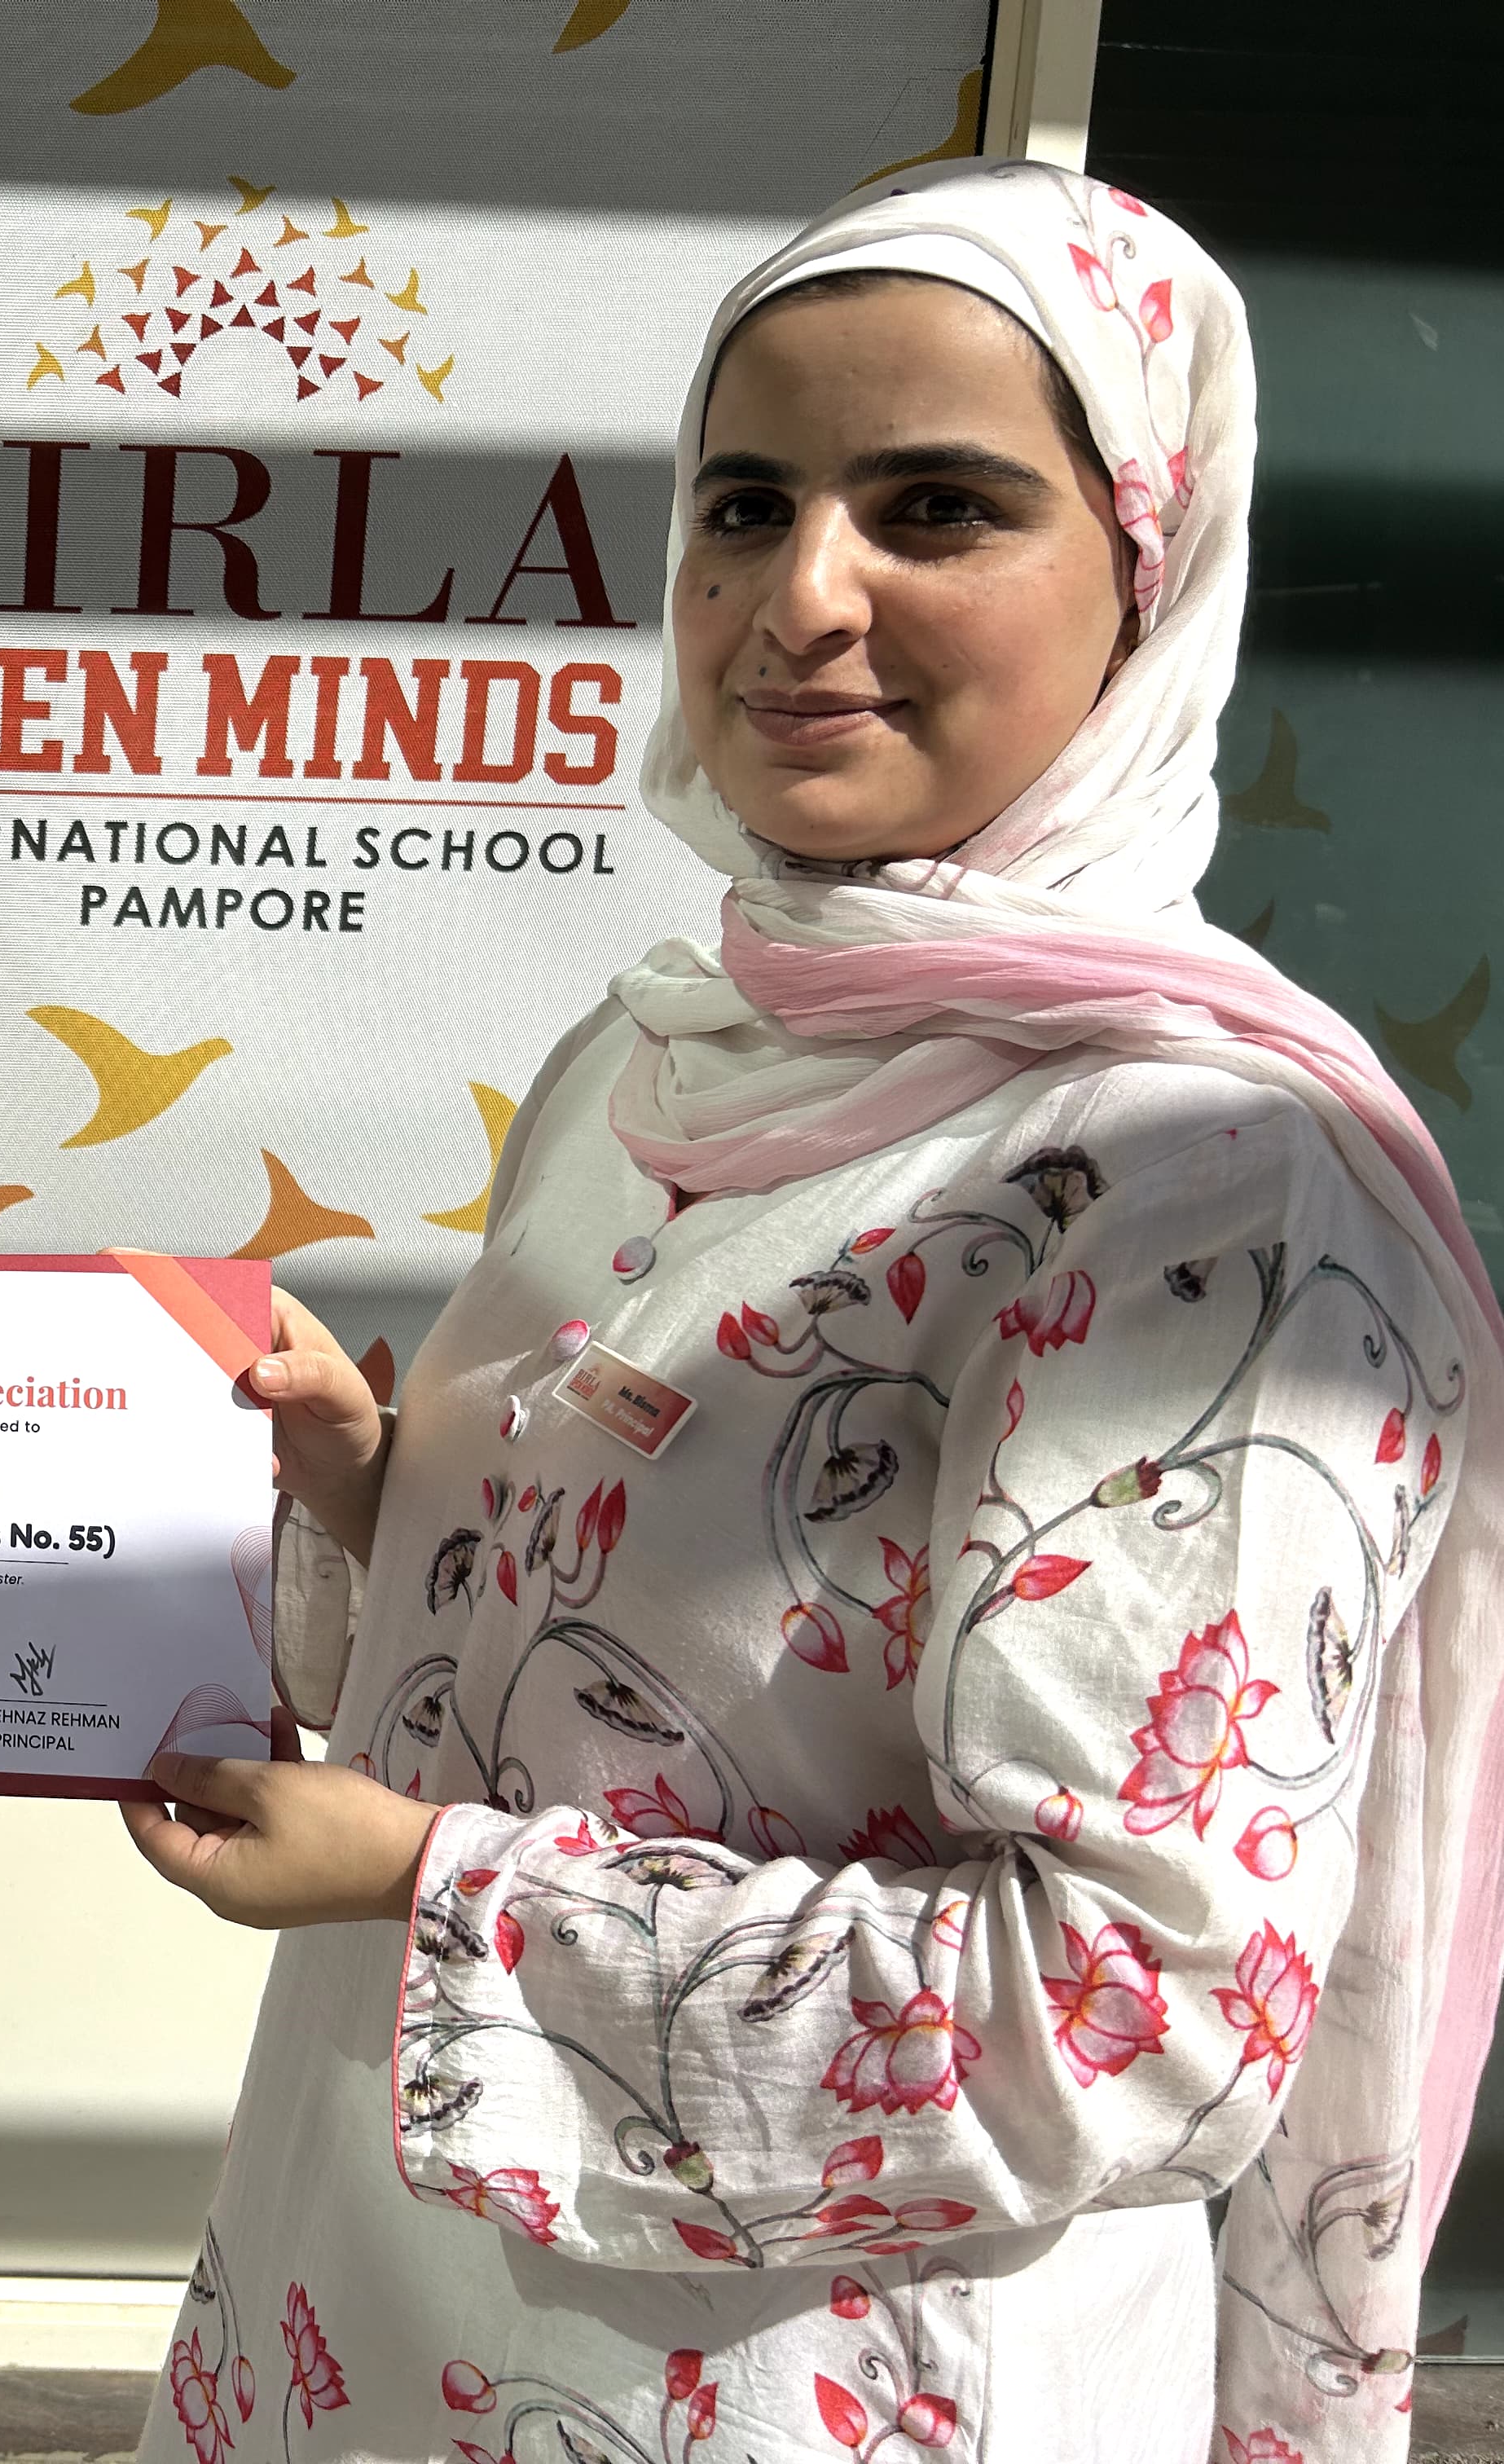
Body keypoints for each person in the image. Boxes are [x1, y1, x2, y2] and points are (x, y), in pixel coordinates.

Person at [121, 161, 1499, 2463]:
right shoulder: (665, 1049)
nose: (800, 598)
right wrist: (378, 1498)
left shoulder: (1201, 1185)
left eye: (937, 507)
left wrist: (436, 1890)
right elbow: (667, 1646)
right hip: (379, 2281)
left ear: (1147, 571)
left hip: (804, 2378)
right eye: (744, 505)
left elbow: (1131, 2014)